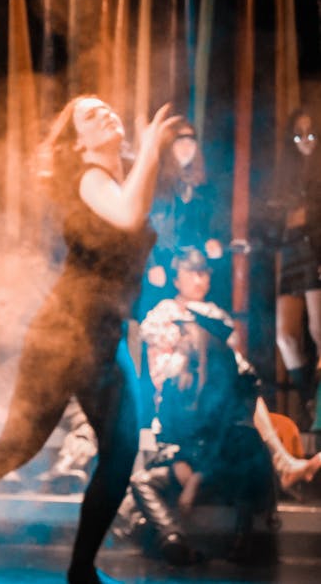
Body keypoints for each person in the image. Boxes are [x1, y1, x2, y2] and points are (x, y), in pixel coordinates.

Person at [0, 95, 180, 584]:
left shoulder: (119, 179)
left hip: (102, 340)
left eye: (108, 108)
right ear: (78, 142)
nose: (107, 113)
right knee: (15, 448)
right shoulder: (89, 180)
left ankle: (82, 570)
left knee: (120, 452)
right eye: (91, 115)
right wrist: (152, 146)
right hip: (64, 339)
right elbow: (130, 217)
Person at [132, 247, 316, 566]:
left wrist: (198, 477)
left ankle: (278, 473)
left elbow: (233, 401)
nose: (200, 279)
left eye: (205, 273)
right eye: (193, 273)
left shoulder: (219, 334)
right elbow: (170, 400)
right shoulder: (170, 334)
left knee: (246, 401)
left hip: (219, 439)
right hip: (187, 427)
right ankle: (173, 538)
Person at [136, 117, 228, 321]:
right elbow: (143, 227)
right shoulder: (155, 183)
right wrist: (152, 265)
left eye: (191, 141)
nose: (187, 147)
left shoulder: (201, 188)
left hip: (187, 270)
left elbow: (205, 228)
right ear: (169, 145)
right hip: (161, 270)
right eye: (180, 141)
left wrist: (212, 242)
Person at [267, 106, 321, 431]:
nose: (304, 141)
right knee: (286, 337)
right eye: (298, 134)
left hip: (316, 250)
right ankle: (308, 398)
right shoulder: (285, 173)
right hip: (291, 252)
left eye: (310, 134)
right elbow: (272, 215)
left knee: (319, 332)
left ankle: (318, 414)